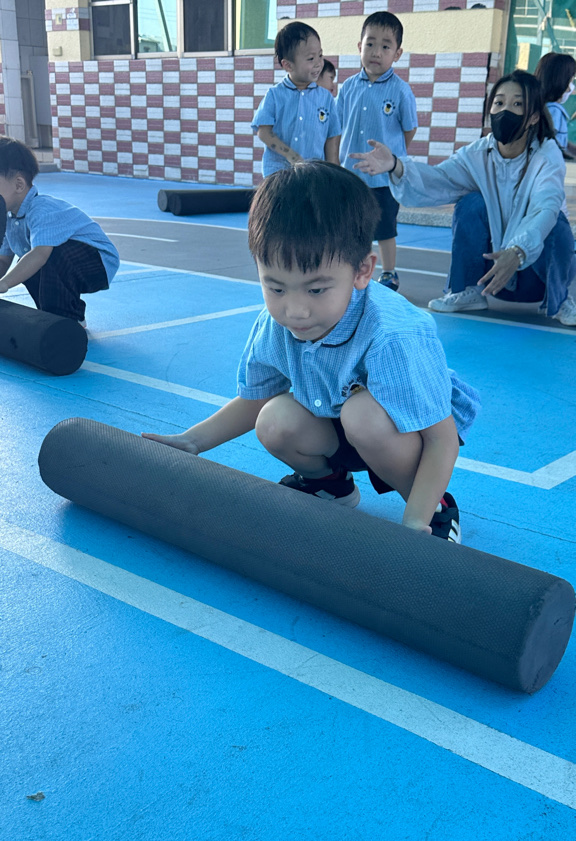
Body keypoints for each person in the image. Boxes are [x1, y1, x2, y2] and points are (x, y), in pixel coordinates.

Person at [143, 162, 480, 543]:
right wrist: (191, 441)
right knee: (274, 420)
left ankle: (434, 508)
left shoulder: (394, 335)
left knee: (363, 416)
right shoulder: (276, 325)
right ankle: (331, 485)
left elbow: (441, 439)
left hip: (401, 432)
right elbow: (255, 400)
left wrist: (414, 523)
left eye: (316, 290)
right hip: (333, 421)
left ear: (363, 271)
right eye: (276, 288)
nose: (296, 311)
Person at [351, 69, 576, 325]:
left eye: (517, 105)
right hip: (490, 274)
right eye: (499, 103)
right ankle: (467, 290)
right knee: (470, 204)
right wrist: (395, 165)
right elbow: (439, 179)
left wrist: (518, 251)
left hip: (536, 279)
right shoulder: (479, 153)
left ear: (534, 116)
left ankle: (560, 301)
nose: (505, 111)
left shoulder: (547, 155)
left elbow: (544, 208)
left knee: (555, 221)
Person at [337, 10, 418, 292]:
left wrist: (389, 159)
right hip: (351, 175)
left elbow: (408, 130)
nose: (376, 52)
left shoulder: (401, 91)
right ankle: (354, 269)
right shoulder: (348, 87)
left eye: (385, 46)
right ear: (359, 46)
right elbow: (338, 126)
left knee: (385, 229)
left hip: (384, 179)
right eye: (370, 44)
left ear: (397, 54)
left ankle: (389, 273)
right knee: (353, 226)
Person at [0, 136, 119, 326]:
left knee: (44, 257)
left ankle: (67, 318)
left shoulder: (41, 209)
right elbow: (4, 260)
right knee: (25, 264)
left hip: (98, 262)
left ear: (19, 185)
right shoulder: (8, 217)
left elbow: (40, 255)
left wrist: (5, 283)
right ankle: (54, 314)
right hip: (65, 261)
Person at [252, 22, 341, 177]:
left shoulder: (326, 98)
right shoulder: (275, 95)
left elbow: (332, 137)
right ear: (288, 65)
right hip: (279, 173)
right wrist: (291, 155)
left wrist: (334, 174)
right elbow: (263, 132)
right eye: (311, 58)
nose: (319, 63)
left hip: (314, 175)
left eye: (320, 55)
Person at [534, 51, 576, 155]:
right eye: (570, 81)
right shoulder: (553, 111)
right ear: (560, 82)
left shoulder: (540, 107)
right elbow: (550, 144)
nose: (571, 88)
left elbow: (559, 141)